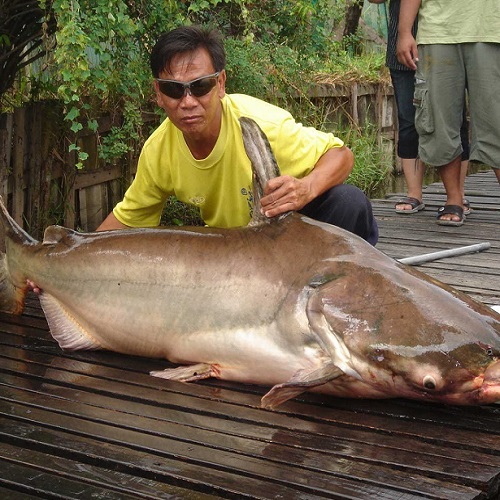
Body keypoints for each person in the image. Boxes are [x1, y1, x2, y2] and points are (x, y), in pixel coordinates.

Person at [97, 25, 378, 245]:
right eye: (173, 89)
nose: (188, 101)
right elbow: (129, 220)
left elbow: (341, 155)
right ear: (158, 94)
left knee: (348, 202)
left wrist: (306, 188)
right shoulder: (159, 151)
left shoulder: (262, 125)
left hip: (292, 235)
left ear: (220, 84)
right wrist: (71, 250)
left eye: (200, 86)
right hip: (233, 248)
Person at [397, 0, 500, 226]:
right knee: (438, 119)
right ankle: (454, 199)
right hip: (438, 31)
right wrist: (404, 31)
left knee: (496, 119)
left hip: (492, 30)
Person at [368, 0, 470, 215]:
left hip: (447, 42)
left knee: (455, 119)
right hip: (404, 50)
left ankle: (457, 196)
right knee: (408, 121)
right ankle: (414, 193)